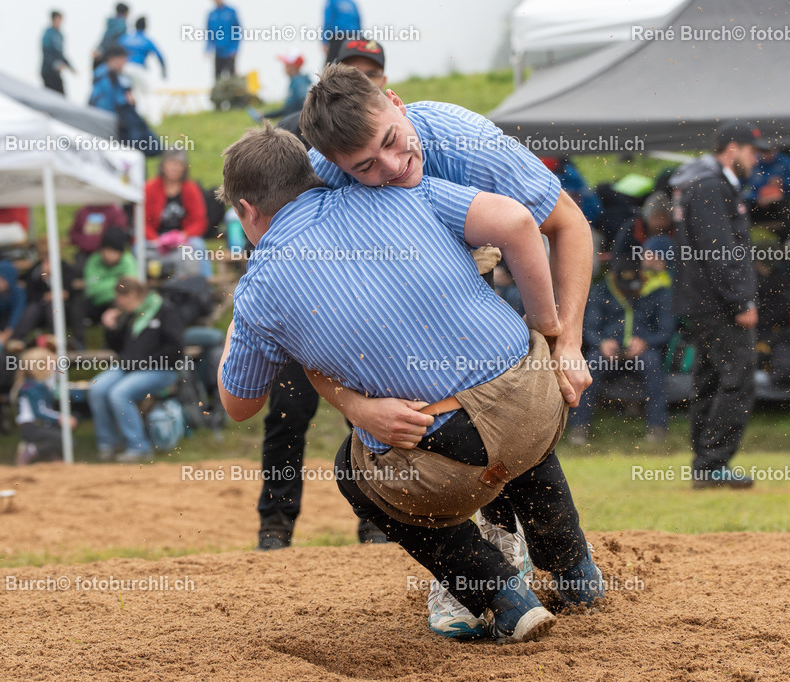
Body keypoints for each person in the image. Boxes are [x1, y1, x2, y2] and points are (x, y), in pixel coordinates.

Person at [218, 123, 603, 644]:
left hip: (444, 465)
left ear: (245, 211)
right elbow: (517, 220)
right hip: (542, 398)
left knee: (353, 474)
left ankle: (502, 596)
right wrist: (553, 331)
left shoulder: (259, 288)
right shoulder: (402, 193)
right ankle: (578, 574)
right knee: (502, 409)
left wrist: (241, 321)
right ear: (315, 173)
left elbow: (238, 405)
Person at [299, 64, 595, 637]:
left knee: (504, 407)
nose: (391, 165)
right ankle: (521, 565)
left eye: (391, 140)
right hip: (396, 304)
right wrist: (358, 406)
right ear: (337, 168)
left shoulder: (464, 140)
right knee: (429, 435)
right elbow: (311, 304)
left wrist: (568, 340)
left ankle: (555, 564)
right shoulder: (321, 183)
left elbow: (567, 224)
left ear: (397, 102)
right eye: (364, 167)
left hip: (491, 277)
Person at [251, 41, 391, 554]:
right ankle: (275, 524)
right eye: (355, 70)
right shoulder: (291, 132)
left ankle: (380, 521)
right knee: (288, 413)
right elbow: (259, 206)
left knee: (372, 415)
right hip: (301, 299)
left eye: (373, 71)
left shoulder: (390, 134)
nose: (365, 78)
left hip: (370, 304)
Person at [669, 122, 765, 490]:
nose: (755, 160)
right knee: (738, 379)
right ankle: (713, 463)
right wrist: (741, 300)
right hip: (718, 303)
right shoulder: (711, 185)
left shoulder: (698, 181)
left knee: (708, 381)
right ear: (732, 149)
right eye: (752, 152)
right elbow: (719, 251)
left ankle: (705, 464)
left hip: (700, 301)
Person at [570, 237, 675, 445]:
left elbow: (666, 329)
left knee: (652, 363)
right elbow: (589, 327)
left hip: (643, 351)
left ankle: (657, 427)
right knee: (590, 363)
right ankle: (578, 428)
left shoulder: (659, 290)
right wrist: (601, 342)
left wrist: (645, 342)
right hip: (608, 350)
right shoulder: (601, 290)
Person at [89, 277, 183, 462]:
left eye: (120, 298)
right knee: (97, 387)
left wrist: (144, 362)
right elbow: (117, 347)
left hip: (161, 369)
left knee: (119, 393)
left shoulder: (165, 311)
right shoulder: (130, 314)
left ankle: (139, 447)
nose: (118, 303)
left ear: (132, 295)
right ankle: (108, 443)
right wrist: (111, 328)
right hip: (130, 367)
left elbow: (177, 349)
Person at [144, 150, 212, 278]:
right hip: (156, 236)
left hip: (183, 236)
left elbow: (200, 221)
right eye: (171, 163)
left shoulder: (191, 189)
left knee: (197, 245)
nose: (174, 167)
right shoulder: (149, 188)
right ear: (163, 165)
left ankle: (204, 285)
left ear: (184, 167)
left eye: (179, 164)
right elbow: (141, 222)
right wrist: (156, 240)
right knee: (139, 248)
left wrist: (183, 235)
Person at [13, 346, 77, 465]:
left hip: (40, 425)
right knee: (68, 442)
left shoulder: (37, 385)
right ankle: (32, 450)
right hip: (32, 427)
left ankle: (53, 457)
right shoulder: (32, 388)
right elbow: (40, 411)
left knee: (62, 435)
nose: (53, 370)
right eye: (51, 366)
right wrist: (61, 418)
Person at [13, 244, 86, 349]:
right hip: (39, 304)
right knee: (32, 310)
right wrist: (43, 277)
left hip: (61, 307)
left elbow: (68, 289)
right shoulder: (36, 269)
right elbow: (31, 291)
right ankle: (18, 340)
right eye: (45, 255)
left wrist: (53, 278)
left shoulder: (64, 267)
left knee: (53, 308)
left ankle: (55, 339)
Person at [83, 227, 138, 323]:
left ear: (120, 252)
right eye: (105, 250)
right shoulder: (94, 260)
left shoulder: (128, 261)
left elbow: (129, 288)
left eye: (112, 251)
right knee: (79, 303)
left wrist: (104, 283)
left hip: (118, 304)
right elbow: (91, 288)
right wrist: (117, 282)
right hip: (96, 304)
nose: (108, 255)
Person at [120, 16, 167, 126]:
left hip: (125, 68)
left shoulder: (125, 38)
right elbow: (160, 56)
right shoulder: (146, 40)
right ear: (145, 27)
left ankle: (134, 119)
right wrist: (164, 71)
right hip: (139, 68)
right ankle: (155, 120)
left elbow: (115, 50)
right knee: (149, 93)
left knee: (132, 93)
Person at [260, 53, 312, 119]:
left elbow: (304, 103)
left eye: (286, 65)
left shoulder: (299, 82)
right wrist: (265, 115)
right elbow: (288, 109)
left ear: (293, 66)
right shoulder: (295, 81)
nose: (284, 68)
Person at [89, 45, 134, 115]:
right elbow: (105, 104)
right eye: (123, 58)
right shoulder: (103, 75)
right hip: (105, 117)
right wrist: (126, 100)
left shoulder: (119, 76)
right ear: (113, 59)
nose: (125, 62)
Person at [206, 0, 241, 81]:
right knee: (217, 78)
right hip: (218, 51)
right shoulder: (212, 14)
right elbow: (209, 33)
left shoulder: (231, 12)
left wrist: (235, 48)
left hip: (229, 52)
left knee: (232, 77)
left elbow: (237, 31)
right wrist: (208, 48)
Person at [40, 10, 74, 94]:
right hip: (48, 71)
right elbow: (46, 52)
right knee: (51, 95)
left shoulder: (60, 35)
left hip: (56, 73)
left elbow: (61, 54)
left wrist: (70, 66)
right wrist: (55, 63)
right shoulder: (48, 34)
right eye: (58, 19)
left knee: (61, 94)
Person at [93, 3, 129, 72]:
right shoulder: (122, 25)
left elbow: (106, 37)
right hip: (111, 54)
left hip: (102, 51)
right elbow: (112, 39)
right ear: (126, 13)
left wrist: (99, 48)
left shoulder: (111, 22)